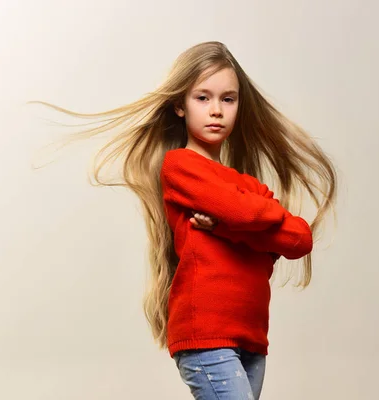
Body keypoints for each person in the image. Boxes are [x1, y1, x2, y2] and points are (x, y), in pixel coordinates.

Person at [33, 41, 336, 399]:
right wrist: (263, 219)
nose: (216, 111)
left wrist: (226, 225)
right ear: (180, 105)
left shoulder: (247, 185)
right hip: (207, 334)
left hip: (251, 337)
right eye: (202, 98)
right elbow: (247, 213)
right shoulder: (181, 167)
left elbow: (299, 240)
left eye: (228, 99)